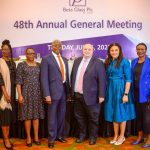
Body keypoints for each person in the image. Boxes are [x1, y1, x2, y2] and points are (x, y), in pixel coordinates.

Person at [71, 44, 106, 145]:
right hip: (77, 96)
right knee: (79, 117)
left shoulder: (98, 62)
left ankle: (92, 137)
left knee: (93, 119)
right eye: (85, 49)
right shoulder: (77, 61)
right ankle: (82, 135)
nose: (87, 51)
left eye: (89, 49)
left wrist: (101, 95)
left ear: (93, 50)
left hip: (93, 97)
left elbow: (102, 80)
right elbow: (73, 76)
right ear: (82, 50)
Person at [104, 43, 136, 145]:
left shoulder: (125, 61)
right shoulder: (108, 61)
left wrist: (126, 94)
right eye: (112, 50)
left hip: (121, 89)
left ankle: (122, 136)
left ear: (120, 51)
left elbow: (128, 79)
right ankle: (116, 135)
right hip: (111, 89)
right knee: (114, 112)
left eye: (116, 50)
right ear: (109, 51)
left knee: (121, 113)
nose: (114, 52)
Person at [40, 40, 70, 148]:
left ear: (62, 47)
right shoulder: (46, 59)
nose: (57, 47)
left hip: (63, 91)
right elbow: (43, 79)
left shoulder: (65, 60)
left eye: (59, 45)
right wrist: (46, 94)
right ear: (51, 47)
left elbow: (66, 77)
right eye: (55, 45)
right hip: (52, 93)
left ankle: (60, 136)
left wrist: (68, 92)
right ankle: (51, 139)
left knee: (61, 115)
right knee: (52, 117)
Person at [16, 48, 45, 147]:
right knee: (27, 117)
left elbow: (42, 80)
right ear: (26, 54)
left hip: (37, 94)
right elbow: (18, 82)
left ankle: (36, 137)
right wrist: (19, 95)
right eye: (29, 53)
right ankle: (28, 138)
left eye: (32, 53)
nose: (31, 55)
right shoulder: (21, 65)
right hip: (26, 94)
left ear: (35, 54)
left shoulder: (39, 65)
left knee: (36, 116)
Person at [131, 43, 150, 148]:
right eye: (138, 49)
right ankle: (140, 137)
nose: (140, 51)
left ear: (146, 50)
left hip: (147, 94)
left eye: (142, 49)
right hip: (136, 93)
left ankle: (149, 139)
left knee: (147, 118)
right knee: (138, 117)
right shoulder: (133, 61)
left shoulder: (149, 62)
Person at [0, 40, 16, 150]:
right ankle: (5, 139)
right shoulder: (0, 62)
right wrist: (5, 94)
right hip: (3, 93)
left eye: (7, 49)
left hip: (12, 92)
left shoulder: (12, 62)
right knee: (4, 117)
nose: (5, 51)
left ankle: (7, 137)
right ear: (1, 50)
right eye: (3, 49)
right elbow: (0, 79)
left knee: (9, 117)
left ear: (10, 50)